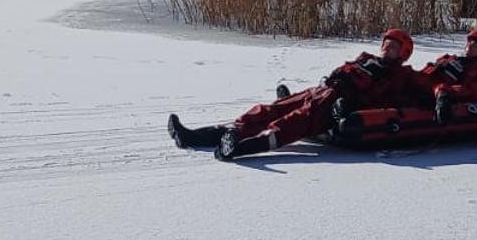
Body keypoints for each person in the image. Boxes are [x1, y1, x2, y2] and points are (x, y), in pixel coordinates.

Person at [166, 28, 423, 161]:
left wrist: (351, 103)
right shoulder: (365, 59)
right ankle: (198, 136)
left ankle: (240, 147)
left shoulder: (400, 75)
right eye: (386, 43)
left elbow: (389, 98)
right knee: (271, 109)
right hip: (322, 91)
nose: (387, 48)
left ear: (403, 54)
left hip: (335, 103)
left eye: (393, 46)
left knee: (293, 121)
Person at [423, 29, 477, 124]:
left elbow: (471, 92)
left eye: (475, 45)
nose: (469, 46)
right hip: (426, 88)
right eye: (469, 43)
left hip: (438, 96)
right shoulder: (452, 59)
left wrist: (444, 93)